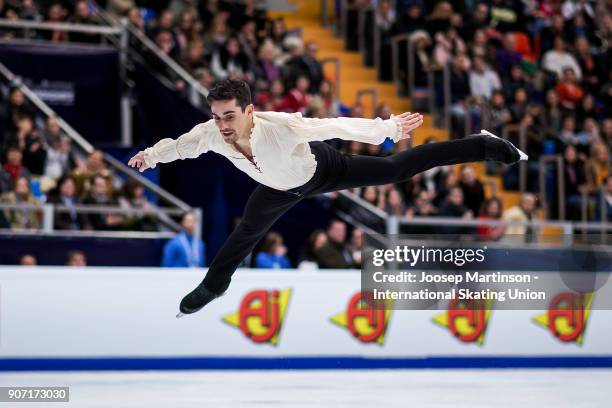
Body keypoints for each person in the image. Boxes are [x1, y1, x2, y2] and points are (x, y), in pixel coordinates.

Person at [128, 79, 527, 317]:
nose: (222, 125)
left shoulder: (281, 127)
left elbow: (331, 124)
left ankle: (481, 146)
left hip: (321, 168)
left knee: (394, 170)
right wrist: (151, 155)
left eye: (229, 116)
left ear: (249, 110)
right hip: (278, 187)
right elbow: (182, 146)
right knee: (247, 231)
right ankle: (213, 287)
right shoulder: (212, 133)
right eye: (216, 116)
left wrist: (384, 127)